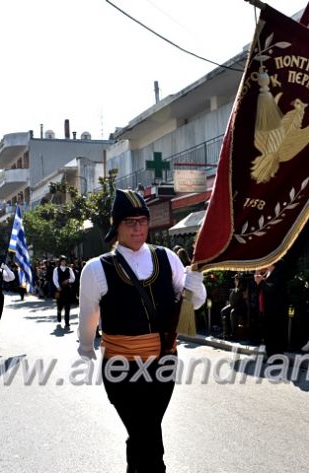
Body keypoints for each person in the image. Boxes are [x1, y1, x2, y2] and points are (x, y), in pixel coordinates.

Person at [77, 189, 206, 473]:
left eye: (142, 220)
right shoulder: (96, 268)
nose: (138, 227)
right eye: (129, 222)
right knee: (146, 432)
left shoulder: (168, 258)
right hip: (121, 368)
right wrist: (86, 347)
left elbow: (193, 303)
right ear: (117, 226)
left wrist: (196, 284)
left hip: (164, 364)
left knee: (144, 430)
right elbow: (88, 316)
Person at [254, 260, 289, 357]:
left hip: (275, 310)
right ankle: (270, 355)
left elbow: (271, 289)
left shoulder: (278, 273)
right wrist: (259, 281)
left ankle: (276, 357)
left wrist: (260, 282)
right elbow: (264, 288)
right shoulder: (268, 272)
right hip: (266, 308)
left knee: (275, 335)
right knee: (268, 334)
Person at [53, 255, 76, 329]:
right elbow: (55, 279)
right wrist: (58, 287)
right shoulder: (56, 269)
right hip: (59, 290)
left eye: (65, 261)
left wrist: (68, 280)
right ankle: (59, 315)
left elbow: (73, 278)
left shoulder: (69, 269)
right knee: (59, 305)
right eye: (62, 261)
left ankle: (67, 322)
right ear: (60, 262)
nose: (63, 262)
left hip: (67, 290)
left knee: (67, 306)